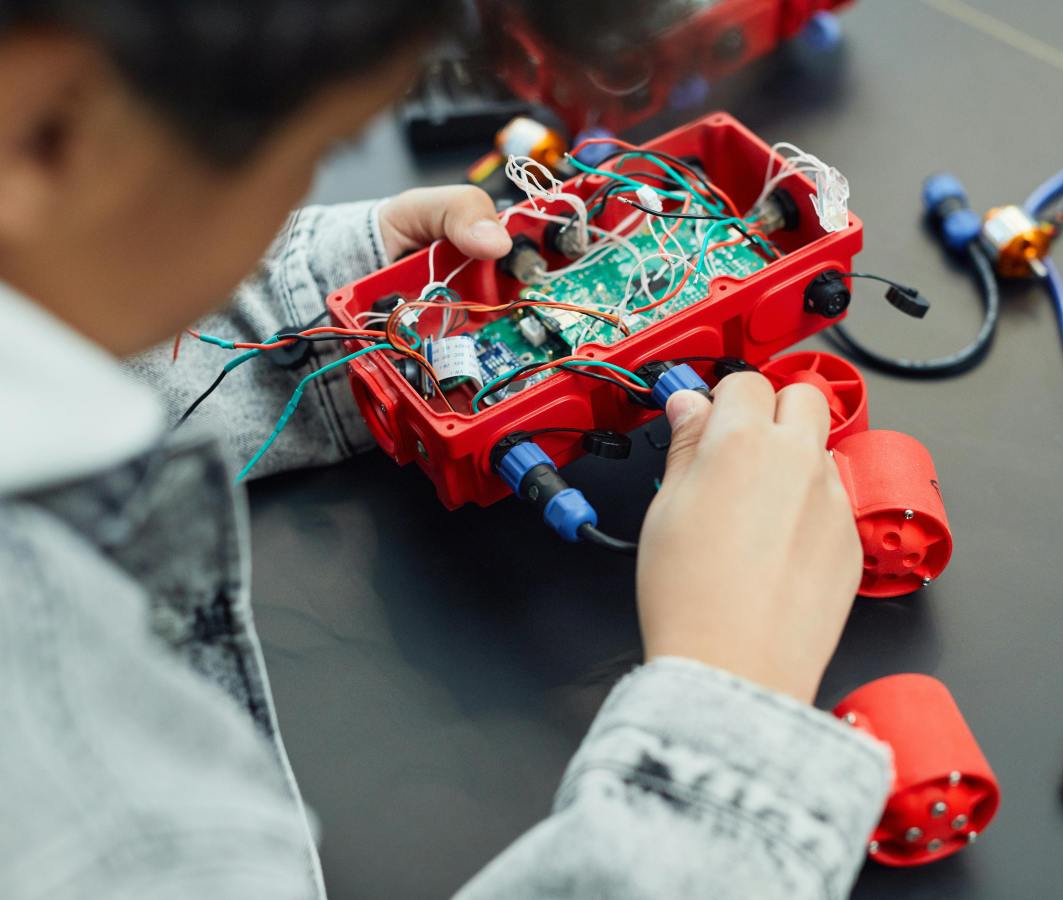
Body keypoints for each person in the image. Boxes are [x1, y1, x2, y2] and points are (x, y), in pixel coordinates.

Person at [0, 2, 890, 897]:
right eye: (315, 150)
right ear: (47, 124)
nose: (301, 181)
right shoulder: (105, 834)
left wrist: (327, 308)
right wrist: (730, 719)